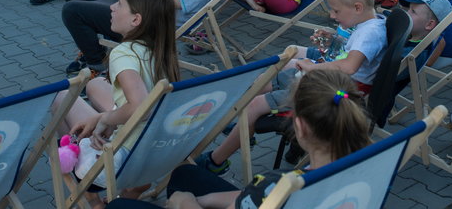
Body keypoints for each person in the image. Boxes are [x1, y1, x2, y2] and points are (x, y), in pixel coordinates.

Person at [197, 0, 385, 176]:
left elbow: (350, 66)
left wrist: (313, 67)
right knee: (262, 81)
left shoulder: (370, 33)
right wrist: (331, 41)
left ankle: (217, 161)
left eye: (336, 11)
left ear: (357, 7)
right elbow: (348, 54)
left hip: (332, 92)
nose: (332, 16)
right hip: (328, 81)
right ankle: (244, 130)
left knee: (255, 104)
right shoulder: (368, 25)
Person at [121, 69, 371, 209]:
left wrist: (187, 204)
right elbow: (256, 197)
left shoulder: (281, 183)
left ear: (300, 127)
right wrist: (205, 199)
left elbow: (261, 195)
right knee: (185, 175)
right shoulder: (368, 167)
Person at [54, 0, 180, 205]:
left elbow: (141, 105)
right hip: (153, 152)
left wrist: (106, 119)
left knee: (63, 98)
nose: (111, 7)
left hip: (119, 158)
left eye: (119, 4)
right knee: (96, 84)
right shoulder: (161, 51)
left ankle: (92, 198)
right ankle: (132, 191)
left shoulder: (124, 53)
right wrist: (104, 117)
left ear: (136, 20)